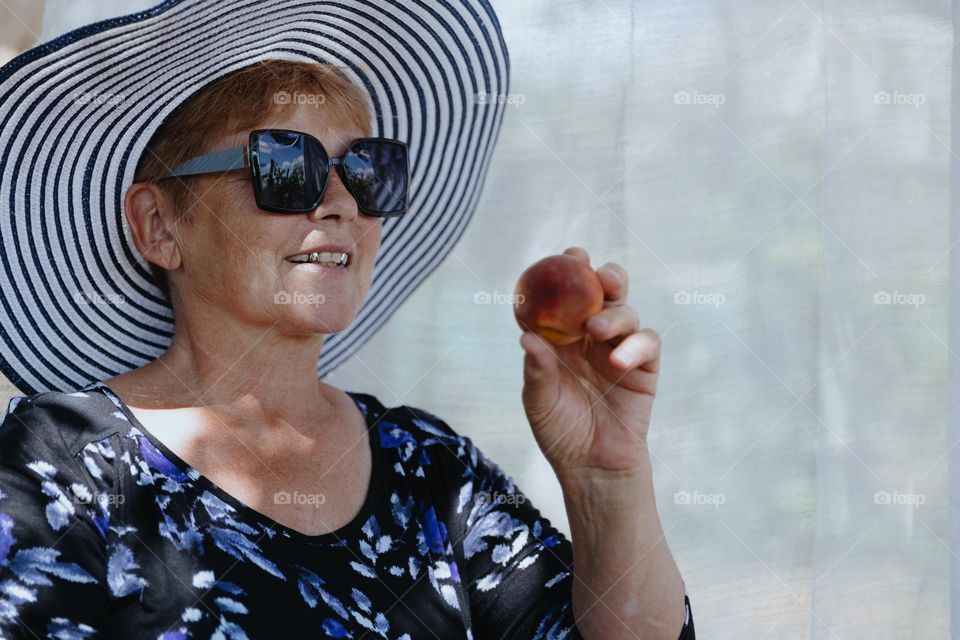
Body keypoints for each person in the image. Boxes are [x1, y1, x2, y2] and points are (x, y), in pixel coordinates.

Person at [0, 1, 694, 638]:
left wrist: (608, 481)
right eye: (283, 166)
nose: (341, 204)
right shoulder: (57, 461)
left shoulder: (430, 468)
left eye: (367, 169)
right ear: (158, 226)